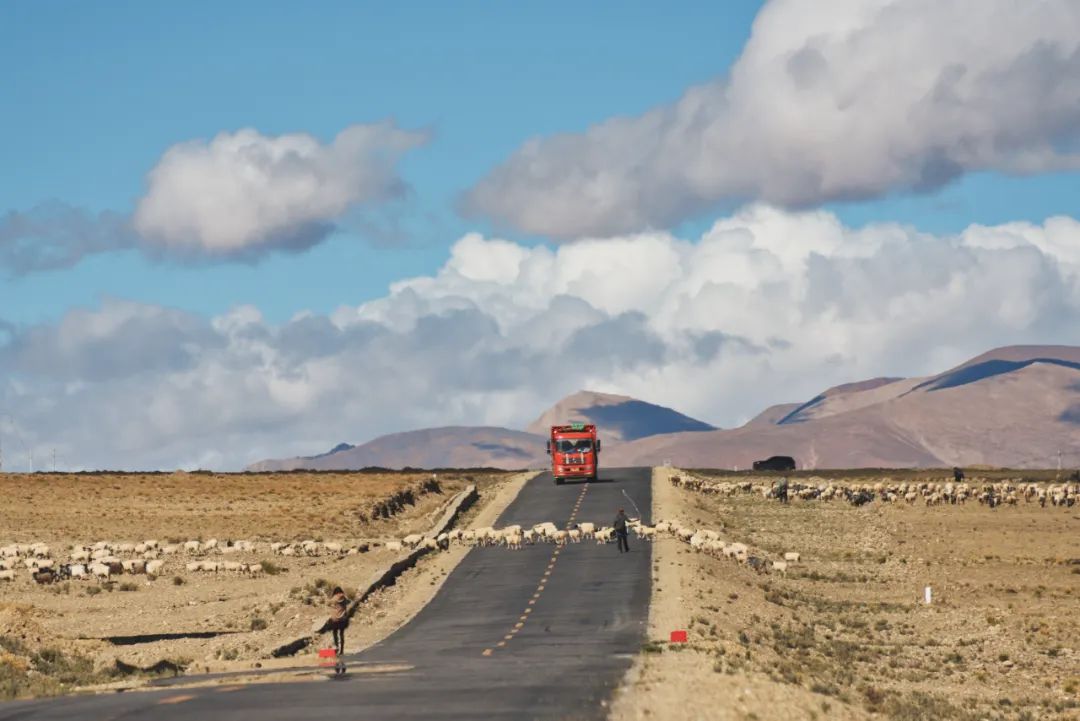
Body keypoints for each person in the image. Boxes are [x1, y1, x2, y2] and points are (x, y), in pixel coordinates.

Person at [328, 586, 349, 658]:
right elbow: (349, 602)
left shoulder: (334, 599)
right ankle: (342, 651)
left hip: (335, 620)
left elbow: (328, 603)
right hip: (343, 619)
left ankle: (337, 648)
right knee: (342, 634)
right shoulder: (345, 598)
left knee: (335, 633)